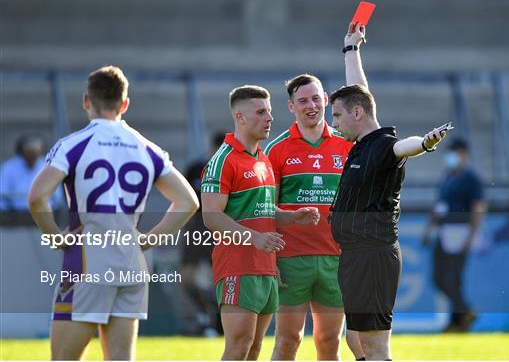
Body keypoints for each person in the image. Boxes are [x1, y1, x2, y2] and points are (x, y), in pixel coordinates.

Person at [27, 65, 199, 360]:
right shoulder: (148, 149)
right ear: (125, 104)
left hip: (87, 261)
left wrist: (55, 236)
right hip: (131, 263)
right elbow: (188, 202)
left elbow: (37, 197)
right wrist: (149, 240)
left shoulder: (73, 145)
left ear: (86, 101)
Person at [329, 45, 450, 358]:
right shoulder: (361, 141)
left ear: (357, 114)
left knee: (375, 346)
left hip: (372, 257)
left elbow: (404, 148)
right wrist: (351, 50)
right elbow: (360, 93)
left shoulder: (383, 146)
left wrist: (424, 143)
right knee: (356, 342)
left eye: (338, 116)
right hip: (356, 255)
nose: (335, 123)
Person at [264, 23, 369, 361]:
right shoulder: (277, 149)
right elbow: (265, 207)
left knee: (329, 342)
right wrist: (269, 257)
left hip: (336, 258)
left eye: (316, 99)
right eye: (302, 101)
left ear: (326, 100)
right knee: (288, 341)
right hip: (291, 259)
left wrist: (352, 49)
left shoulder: (346, 141)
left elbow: (364, 105)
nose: (311, 106)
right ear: (291, 107)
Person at [200, 85, 320, 360]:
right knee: (238, 346)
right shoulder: (223, 160)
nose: (270, 118)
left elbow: (263, 211)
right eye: (261, 112)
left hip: (264, 267)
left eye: (270, 111)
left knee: (254, 348)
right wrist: (254, 238)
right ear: (240, 117)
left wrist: (291, 217)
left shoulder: (262, 160)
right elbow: (211, 216)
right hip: (237, 267)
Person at [422, 138, 486, 332]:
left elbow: (478, 208)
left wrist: (472, 236)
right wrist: (429, 229)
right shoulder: (447, 178)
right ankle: (463, 312)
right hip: (444, 233)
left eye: (454, 153)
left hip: (461, 232)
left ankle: (458, 321)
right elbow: (438, 207)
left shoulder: (472, 179)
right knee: (439, 278)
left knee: (454, 278)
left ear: (464, 154)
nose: (450, 158)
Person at [181, 131, 226, 336]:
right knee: (186, 278)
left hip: (217, 230)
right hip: (195, 228)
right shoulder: (196, 169)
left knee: (218, 279)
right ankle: (203, 314)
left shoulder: (228, 171)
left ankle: (216, 321)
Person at [0, 134, 63, 212]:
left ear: (40, 151)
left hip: (44, 213)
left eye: (35, 153)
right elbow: (2, 195)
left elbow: (57, 197)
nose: (32, 156)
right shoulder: (8, 168)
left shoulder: (49, 166)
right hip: (15, 214)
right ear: (22, 151)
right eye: (29, 153)